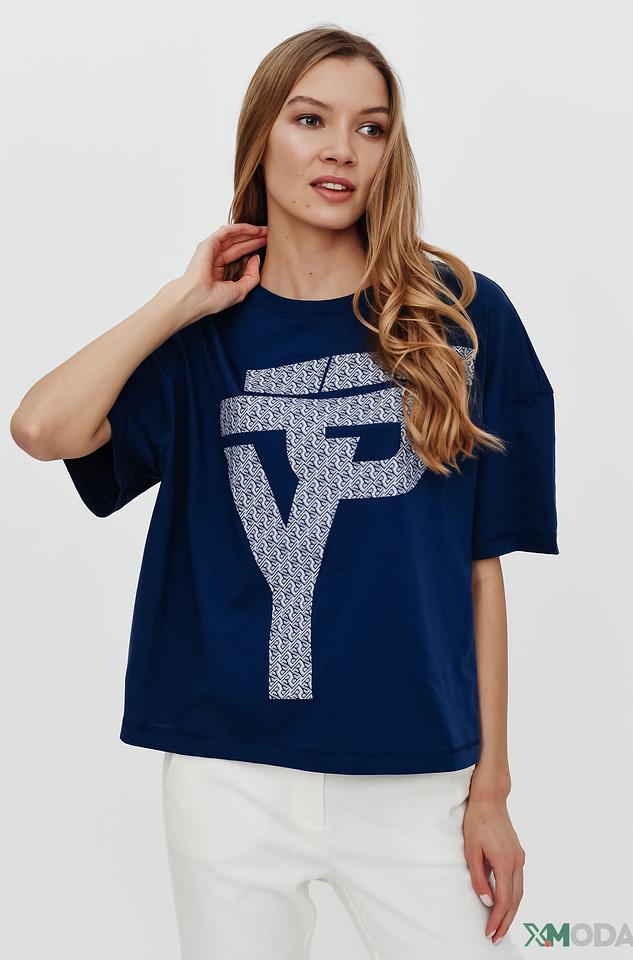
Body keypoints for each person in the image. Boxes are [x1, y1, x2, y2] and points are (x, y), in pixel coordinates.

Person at [10, 25, 559, 960]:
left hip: (412, 770)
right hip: (229, 773)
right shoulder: (201, 336)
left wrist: (492, 790)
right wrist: (180, 299)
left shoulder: (462, 318)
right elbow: (40, 429)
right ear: (261, 135)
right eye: (311, 120)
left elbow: (481, 570)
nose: (342, 149)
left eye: (371, 127)